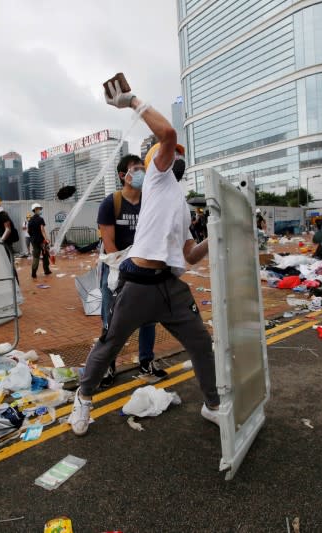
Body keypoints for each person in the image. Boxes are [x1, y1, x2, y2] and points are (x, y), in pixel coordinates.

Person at [68, 75, 219, 436]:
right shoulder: (156, 176)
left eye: (180, 155)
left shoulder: (180, 204)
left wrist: (214, 234)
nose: (176, 156)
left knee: (201, 343)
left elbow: (190, 256)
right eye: (172, 153)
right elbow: (167, 135)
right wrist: (132, 101)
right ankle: (83, 399)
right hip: (137, 285)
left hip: (170, 287)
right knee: (110, 344)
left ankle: (213, 404)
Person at [96, 154, 163, 387]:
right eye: (136, 168)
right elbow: (109, 242)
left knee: (148, 318)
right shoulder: (110, 203)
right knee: (111, 319)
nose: (142, 172)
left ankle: (146, 361)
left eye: (143, 168)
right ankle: (108, 365)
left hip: (144, 267)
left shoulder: (150, 201)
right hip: (116, 269)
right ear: (123, 175)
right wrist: (125, 270)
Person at [28, 203, 51, 278]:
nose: (40, 210)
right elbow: (42, 230)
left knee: (36, 257)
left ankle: (33, 273)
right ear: (35, 210)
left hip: (34, 241)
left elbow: (29, 231)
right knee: (45, 255)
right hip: (42, 241)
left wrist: (33, 237)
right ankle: (46, 271)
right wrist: (46, 238)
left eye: (40, 209)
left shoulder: (30, 220)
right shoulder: (40, 219)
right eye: (39, 209)